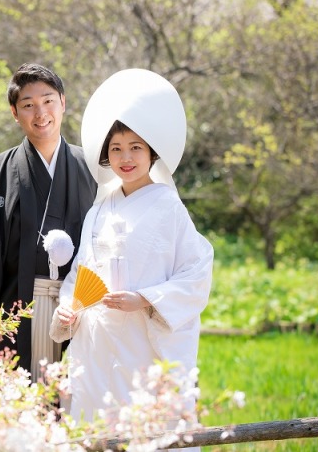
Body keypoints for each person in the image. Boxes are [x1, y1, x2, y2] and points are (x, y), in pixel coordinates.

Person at [50, 68, 213, 425]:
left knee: (143, 424)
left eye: (136, 148)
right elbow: (80, 273)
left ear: (151, 153)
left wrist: (146, 299)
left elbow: (196, 272)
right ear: (106, 156)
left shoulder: (168, 207)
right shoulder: (98, 210)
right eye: (116, 149)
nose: (126, 158)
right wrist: (67, 308)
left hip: (141, 341)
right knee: (94, 425)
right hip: (95, 342)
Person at [0, 62, 97, 380]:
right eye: (28, 105)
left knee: (74, 397)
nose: (40, 113)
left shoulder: (93, 168)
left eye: (48, 101)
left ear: (63, 102)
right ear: (15, 113)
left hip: (79, 311)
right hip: (14, 316)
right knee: (21, 396)